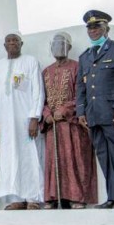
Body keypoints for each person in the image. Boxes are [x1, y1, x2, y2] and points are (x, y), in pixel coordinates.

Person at [76, 10, 114, 209]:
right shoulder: (85, 56)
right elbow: (81, 87)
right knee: (103, 155)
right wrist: (81, 111)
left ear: (106, 29)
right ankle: (112, 197)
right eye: (90, 28)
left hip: (113, 113)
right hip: (93, 115)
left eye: (97, 27)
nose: (93, 31)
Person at [0, 33, 45, 209]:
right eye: (8, 41)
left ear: (21, 44)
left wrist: (34, 117)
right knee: (9, 158)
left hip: (25, 121)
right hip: (5, 123)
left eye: (15, 41)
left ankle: (33, 198)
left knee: (29, 156)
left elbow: (37, 91)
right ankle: (15, 199)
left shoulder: (30, 62)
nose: (12, 43)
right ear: (4, 45)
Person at [41, 32, 97, 209]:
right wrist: (47, 113)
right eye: (55, 44)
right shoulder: (46, 71)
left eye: (62, 44)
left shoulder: (77, 67)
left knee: (74, 160)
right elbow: (41, 98)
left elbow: (83, 94)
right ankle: (55, 197)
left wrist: (64, 110)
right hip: (52, 126)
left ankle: (77, 197)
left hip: (72, 125)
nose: (58, 47)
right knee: (54, 161)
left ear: (69, 47)